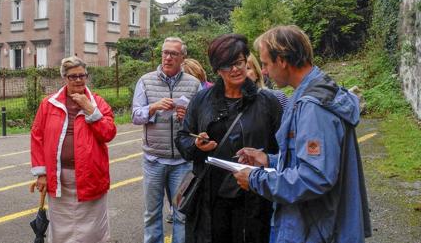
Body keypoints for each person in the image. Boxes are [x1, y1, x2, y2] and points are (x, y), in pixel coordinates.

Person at [234, 25, 371, 243]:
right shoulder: (314, 92)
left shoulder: (313, 107)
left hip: (317, 229)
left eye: (266, 63)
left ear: (282, 61)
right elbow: (313, 159)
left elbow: (316, 176)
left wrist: (256, 179)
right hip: (320, 225)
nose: (265, 71)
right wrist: (268, 160)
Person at [175, 34, 282, 243]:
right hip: (210, 198)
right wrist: (197, 145)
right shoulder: (201, 101)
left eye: (239, 62)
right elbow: (182, 138)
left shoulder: (267, 102)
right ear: (217, 69)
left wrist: (265, 159)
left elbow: (283, 150)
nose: (235, 69)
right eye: (227, 65)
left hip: (254, 197)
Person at [30, 56, 117, 243]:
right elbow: (37, 136)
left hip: (91, 176)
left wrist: (90, 110)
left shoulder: (98, 103)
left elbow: (109, 133)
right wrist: (41, 173)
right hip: (59, 177)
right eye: (73, 76)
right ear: (64, 78)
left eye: (82, 75)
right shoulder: (49, 104)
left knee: (92, 229)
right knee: (62, 228)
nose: (78, 80)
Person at [132, 37, 201, 243]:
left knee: (181, 214)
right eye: (165, 52)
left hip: (181, 161)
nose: (168, 57)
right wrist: (153, 107)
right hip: (153, 160)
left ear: (182, 57)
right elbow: (135, 116)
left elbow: (202, 121)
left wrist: (188, 116)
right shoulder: (145, 81)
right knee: (152, 214)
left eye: (173, 54)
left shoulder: (194, 84)